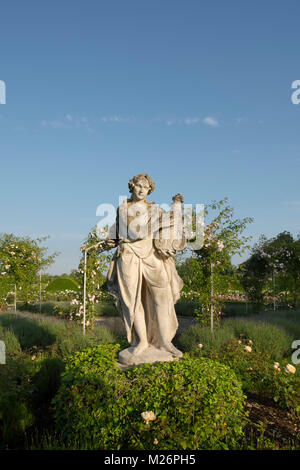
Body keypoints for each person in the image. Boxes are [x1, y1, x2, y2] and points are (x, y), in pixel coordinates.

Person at [105, 173, 186, 364]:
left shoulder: (155, 209)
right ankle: (141, 342)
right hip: (129, 255)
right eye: (138, 186)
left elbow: (171, 229)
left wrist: (177, 208)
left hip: (152, 255)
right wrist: (163, 222)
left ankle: (165, 342)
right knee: (133, 300)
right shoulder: (124, 208)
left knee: (163, 296)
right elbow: (133, 232)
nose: (142, 190)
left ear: (150, 190)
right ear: (132, 186)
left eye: (146, 187)